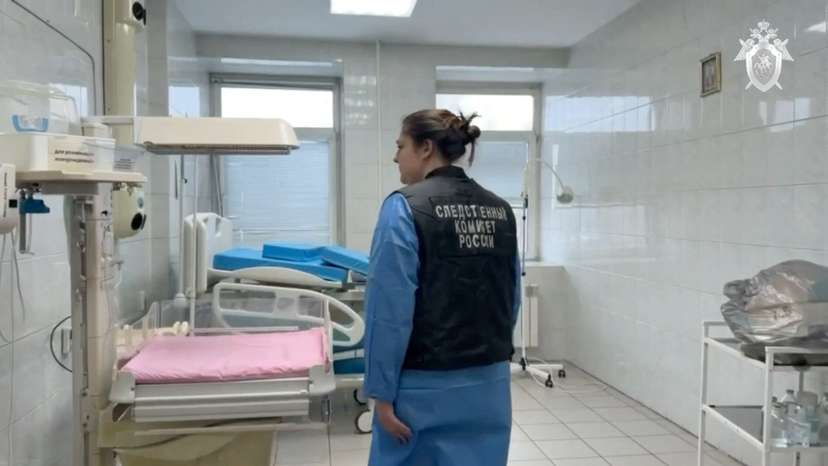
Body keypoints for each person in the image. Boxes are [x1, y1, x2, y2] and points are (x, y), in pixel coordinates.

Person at [363, 109, 521, 466]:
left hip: (422, 388)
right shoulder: (501, 210)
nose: (395, 156)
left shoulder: (403, 207)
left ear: (425, 148)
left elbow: (388, 313)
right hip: (489, 385)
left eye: (401, 145)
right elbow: (511, 298)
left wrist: (382, 395)